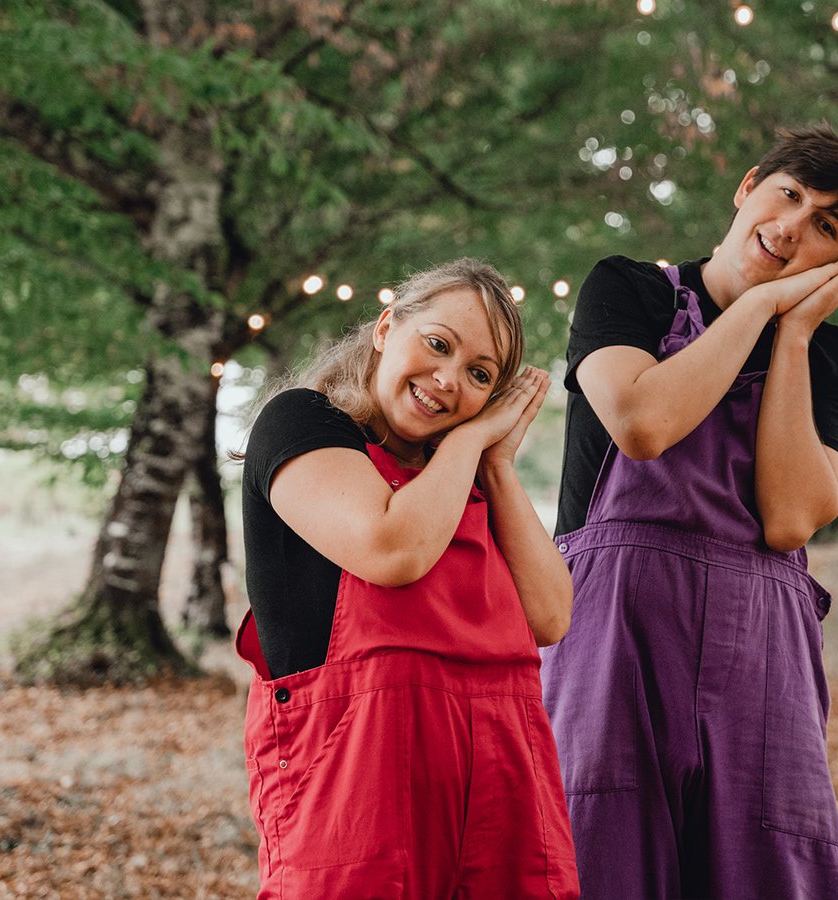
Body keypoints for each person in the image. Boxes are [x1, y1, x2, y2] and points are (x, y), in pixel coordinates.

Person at [542, 123, 838, 898]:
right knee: (604, 858)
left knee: (764, 868)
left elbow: (792, 518)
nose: (791, 226)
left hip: (761, 652)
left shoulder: (835, 359)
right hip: (613, 637)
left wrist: (797, 334)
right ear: (748, 186)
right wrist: (761, 305)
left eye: (826, 227)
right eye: (790, 194)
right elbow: (642, 423)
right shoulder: (627, 290)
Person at [234, 258, 579, 899]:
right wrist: (470, 438)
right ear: (387, 327)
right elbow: (391, 550)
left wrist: (494, 462)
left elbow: (551, 616)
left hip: (505, 793)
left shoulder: (462, 475)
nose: (448, 380)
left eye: (480, 375)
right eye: (438, 344)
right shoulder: (302, 423)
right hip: (358, 791)